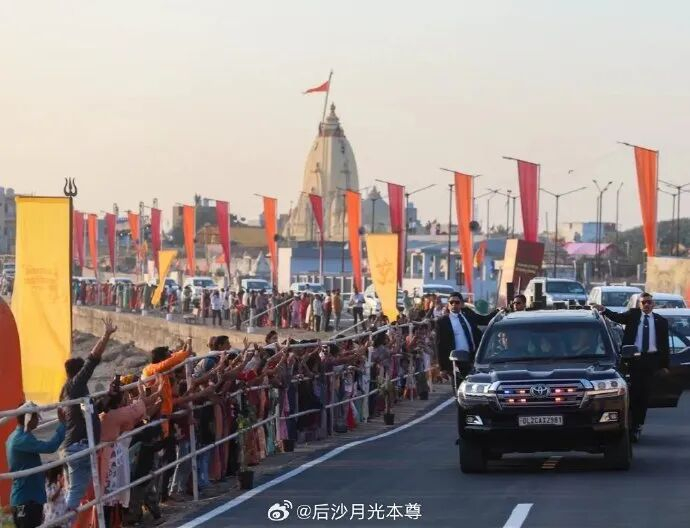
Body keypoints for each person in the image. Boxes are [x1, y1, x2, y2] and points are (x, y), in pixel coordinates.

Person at [593, 292, 670, 442]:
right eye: (643, 302)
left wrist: (664, 366)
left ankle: (638, 425)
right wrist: (604, 309)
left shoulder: (661, 321)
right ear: (639, 304)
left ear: (653, 304)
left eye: (649, 302)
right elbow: (617, 317)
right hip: (634, 360)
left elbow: (665, 345)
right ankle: (631, 424)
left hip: (651, 361)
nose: (646, 305)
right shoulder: (633, 315)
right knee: (634, 393)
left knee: (645, 395)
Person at [61, 317, 117, 513]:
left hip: (76, 445)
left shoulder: (73, 390)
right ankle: (61, 523)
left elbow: (90, 412)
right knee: (76, 492)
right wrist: (106, 335)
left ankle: (62, 520)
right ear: (78, 373)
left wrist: (108, 397)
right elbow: (92, 359)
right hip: (78, 446)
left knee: (75, 490)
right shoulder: (76, 385)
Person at [6, 402, 66, 528]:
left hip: (25, 499)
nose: (38, 420)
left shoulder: (15, 437)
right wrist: (62, 424)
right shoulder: (22, 439)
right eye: (36, 417)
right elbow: (50, 447)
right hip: (27, 500)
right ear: (29, 418)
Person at [435, 292, 498, 373]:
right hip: (457, 360)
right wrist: (442, 368)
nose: (454, 304)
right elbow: (440, 345)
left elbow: (484, 320)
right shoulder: (443, 321)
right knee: (461, 380)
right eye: (451, 302)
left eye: (457, 302)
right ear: (448, 304)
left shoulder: (467, 313)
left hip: (474, 357)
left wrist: (498, 311)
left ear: (461, 304)